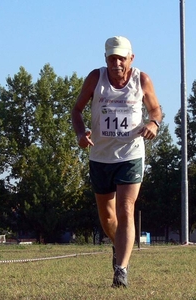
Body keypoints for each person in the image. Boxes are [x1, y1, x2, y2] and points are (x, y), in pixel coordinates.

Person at [71, 36, 162, 288]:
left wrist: (153, 123)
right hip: (100, 156)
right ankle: (119, 244)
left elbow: (155, 109)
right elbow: (76, 110)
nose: (117, 63)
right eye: (112, 58)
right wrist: (81, 134)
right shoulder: (95, 78)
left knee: (126, 209)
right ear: (105, 59)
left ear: (131, 58)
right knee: (108, 218)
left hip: (130, 155)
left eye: (122, 57)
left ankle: (121, 270)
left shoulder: (141, 79)